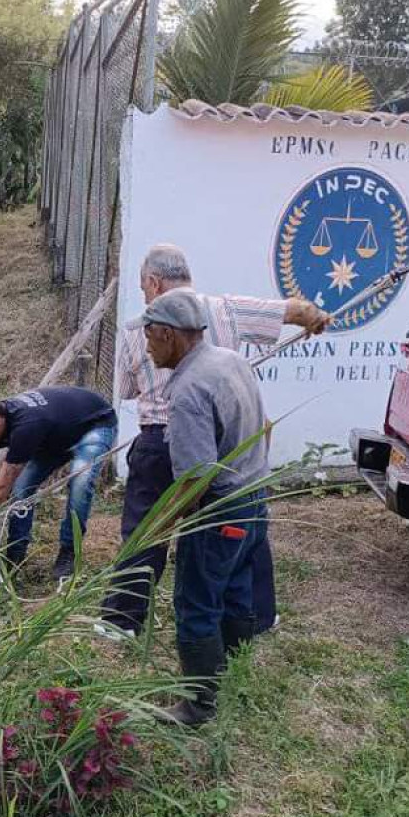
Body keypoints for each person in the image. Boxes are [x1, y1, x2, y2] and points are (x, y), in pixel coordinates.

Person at [96, 244, 329, 642]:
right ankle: (259, 614)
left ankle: (124, 619)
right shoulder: (227, 308)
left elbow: (131, 390)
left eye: (142, 286)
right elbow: (295, 311)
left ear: (153, 282)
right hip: (228, 445)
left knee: (147, 527)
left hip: (161, 437)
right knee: (239, 521)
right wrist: (317, 318)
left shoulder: (145, 329)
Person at [137, 289, 273, 726]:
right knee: (235, 589)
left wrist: (157, 527)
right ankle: (231, 674)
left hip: (219, 512)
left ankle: (199, 706)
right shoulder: (231, 360)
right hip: (253, 498)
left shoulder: (189, 389)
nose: (146, 346)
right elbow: (264, 427)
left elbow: (196, 478)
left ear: (168, 334)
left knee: (197, 603)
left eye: (149, 337)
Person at [0, 387, 118, 589]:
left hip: (94, 423)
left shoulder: (26, 426)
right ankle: (16, 556)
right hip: (54, 436)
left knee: (80, 483)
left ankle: (68, 551)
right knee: (22, 490)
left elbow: (2, 485)